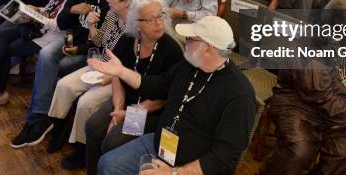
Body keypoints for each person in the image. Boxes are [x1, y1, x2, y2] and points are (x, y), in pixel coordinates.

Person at [88, 16, 256, 175]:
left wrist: (175, 172)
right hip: (160, 145)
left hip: (190, 166)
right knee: (107, 164)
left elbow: (224, 158)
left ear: (208, 48)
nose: (185, 42)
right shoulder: (190, 64)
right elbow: (157, 86)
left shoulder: (239, 95)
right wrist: (122, 72)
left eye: (190, 39)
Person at [262, 0, 346, 175]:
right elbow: (320, 94)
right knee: (299, 151)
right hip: (300, 106)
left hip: (343, 111)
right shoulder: (307, 42)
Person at [10, 0, 111, 150]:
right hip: (69, 39)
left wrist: (78, 49)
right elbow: (63, 24)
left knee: (56, 67)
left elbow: (102, 41)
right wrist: (73, 9)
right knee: (46, 55)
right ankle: (39, 116)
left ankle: (41, 119)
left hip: (90, 50)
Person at [84, 0, 184, 174]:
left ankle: (109, 168)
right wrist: (118, 108)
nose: (159, 23)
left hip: (151, 110)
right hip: (125, 100)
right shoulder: (127, 40)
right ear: (136, 23)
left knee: (112, 141)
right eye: (151, 19)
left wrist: (129, 113)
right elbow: (116, 76)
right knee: (93, 126)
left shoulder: (172, 50)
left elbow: (162, 98)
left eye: (160, 16)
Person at [46, 0, 138, 167]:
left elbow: (132, 65)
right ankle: (58, 129)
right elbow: (97, 42)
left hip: (117, 76)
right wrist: (92, 24)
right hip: (99, 65)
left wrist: (111, 75)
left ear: (126, 2)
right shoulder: (112, 15)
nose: (107, 1)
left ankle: (82, 148)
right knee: (63, 85)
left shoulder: (135, 27)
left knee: (85, 102)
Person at [0, 0, 81, 107]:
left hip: (51, 36)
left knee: (6, 49)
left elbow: (58, 25)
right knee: (1, 34)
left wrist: (36, 15)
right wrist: (36, 9)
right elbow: (49, 9)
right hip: (40, 27)